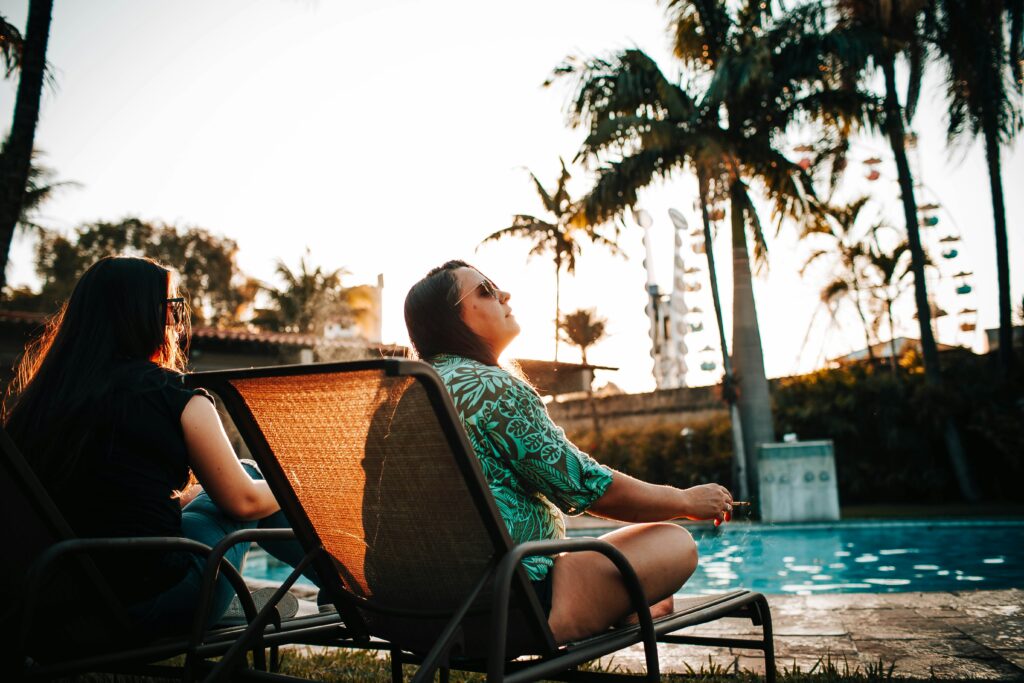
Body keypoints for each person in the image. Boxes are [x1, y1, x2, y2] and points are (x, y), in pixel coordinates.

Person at [404, 260, 734, 644]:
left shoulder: (402, 394)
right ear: (451, 319)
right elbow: (586, 487)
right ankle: (617, 606)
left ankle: (622, 601)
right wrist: (684, 500)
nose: (504, 295)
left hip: (410, 611)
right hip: (504, 610)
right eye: (485, 291)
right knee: (674, 543)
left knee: (615, 553)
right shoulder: (492, 388)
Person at [3, 256, 315, 639]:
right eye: (171, 308)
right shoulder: (172, 394)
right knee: (249, 476)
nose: (174, 320)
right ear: (142, 315)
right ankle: (349, 589)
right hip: (148, 606)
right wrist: (301, 486)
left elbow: (104, 497)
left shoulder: (41, 402)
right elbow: (244, 503)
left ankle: (245, 598)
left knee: (212, 493)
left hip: (53, 609)